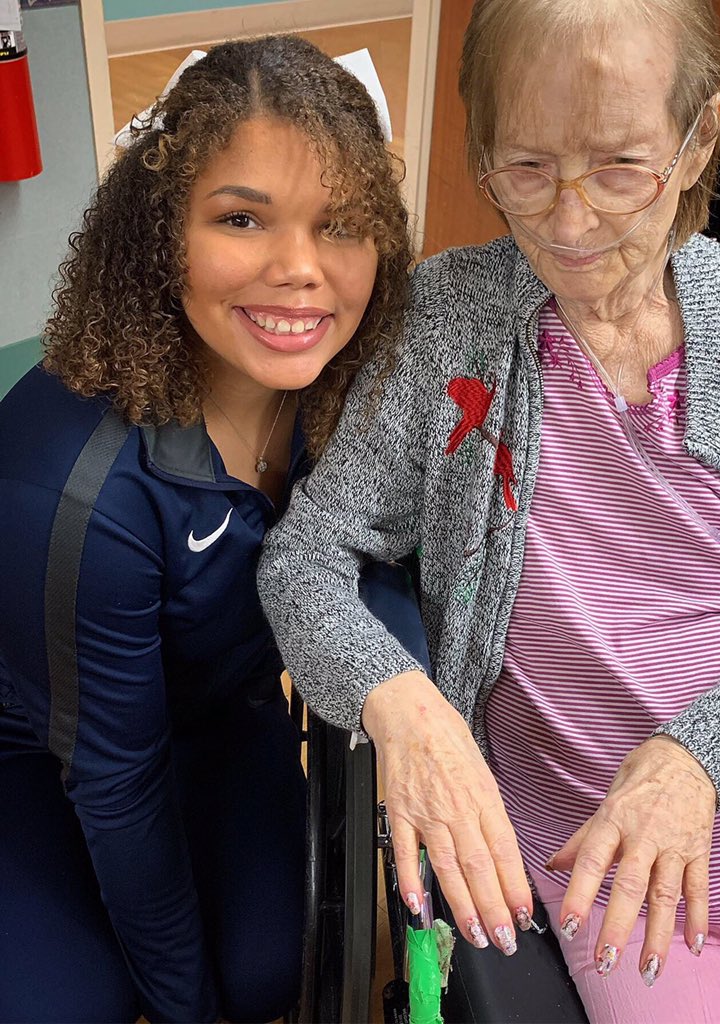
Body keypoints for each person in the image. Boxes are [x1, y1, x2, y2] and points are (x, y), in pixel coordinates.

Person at [257, 1, 720, 1021]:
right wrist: (402, 700)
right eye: (525, 167)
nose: (566, 223)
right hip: (598, 867)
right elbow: (306, 558)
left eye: (618, 167)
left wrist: (702, 750)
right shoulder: (447, 324)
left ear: (698, 139)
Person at [0, 35, 413, 1023]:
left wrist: (412, 704)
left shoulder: (349, 392)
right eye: (241, 218)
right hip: (48, 754)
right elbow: (115, 783)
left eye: (342, 224)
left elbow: (390, 561)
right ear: (160, 234)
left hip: (217, 716)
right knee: (73, 1003)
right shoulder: (75, 483)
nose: (300, 270)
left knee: (273, 966)